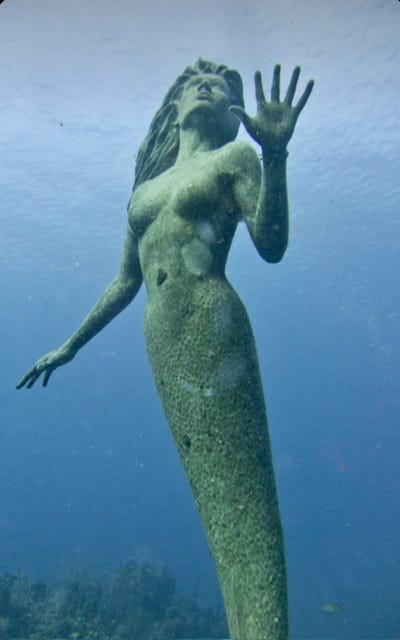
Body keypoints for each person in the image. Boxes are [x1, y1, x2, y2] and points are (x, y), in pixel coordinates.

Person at [17, 58, 313, 640]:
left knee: (245, 502)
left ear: (235, 117)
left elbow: (271, 245)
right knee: (215, 504)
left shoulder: (235, 159)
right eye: (195, 84)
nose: (208, 88)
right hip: (164, 341)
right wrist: (69, 346)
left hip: (213, 321)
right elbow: (126, 281)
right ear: (174, 107)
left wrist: (275, 155)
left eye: (223, 88)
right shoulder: (143, 194)